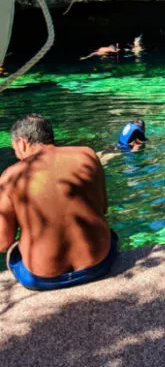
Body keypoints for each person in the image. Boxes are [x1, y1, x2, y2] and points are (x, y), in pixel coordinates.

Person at [0, 114, 118, 291]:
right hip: (99, 265)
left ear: (22, 143)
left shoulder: (11, 177)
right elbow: (103, 207)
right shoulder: (87, 154)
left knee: (13, 252)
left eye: (15, 149)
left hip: (42, 279)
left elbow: (3, 241)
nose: (17, 156)